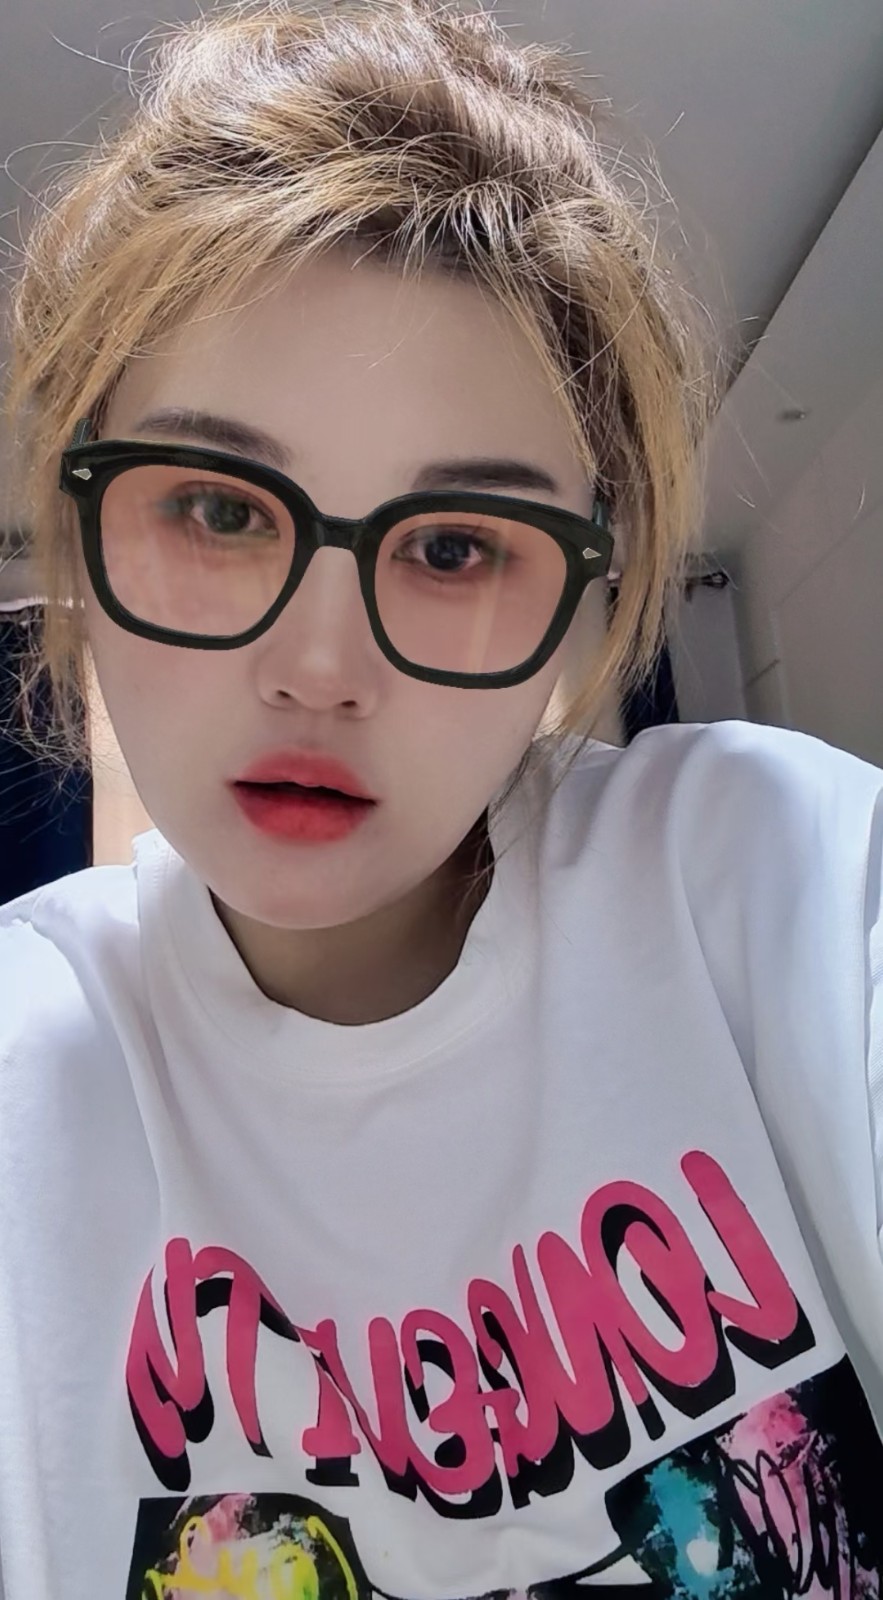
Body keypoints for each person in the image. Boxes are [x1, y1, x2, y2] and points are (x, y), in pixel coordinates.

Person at [0, 0, 881, 1593]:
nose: (320, 667)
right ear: (78, 529)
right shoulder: (26, 1075)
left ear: (582, 600)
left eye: (456, 546)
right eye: (219, 509)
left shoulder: (775, 884)